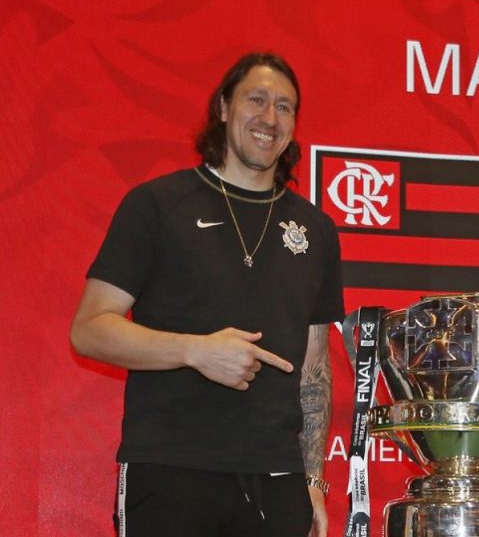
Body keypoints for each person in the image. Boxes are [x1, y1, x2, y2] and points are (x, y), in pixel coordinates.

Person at [70, 52, 344, 537]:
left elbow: (314, 370)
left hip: (277, 479)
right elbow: (90, 329)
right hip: (171, 468)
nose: (269, 118)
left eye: (285, 107)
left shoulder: (316, 231)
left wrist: (315, 480)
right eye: (256, 100)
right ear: (222, 107)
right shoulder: (157, 205)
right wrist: (195, 350)